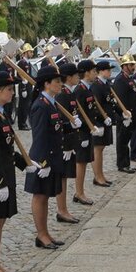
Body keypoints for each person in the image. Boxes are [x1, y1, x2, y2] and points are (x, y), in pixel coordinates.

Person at [0, 71, 37, 272]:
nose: (13, 93)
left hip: (5, 176)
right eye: (10, 89)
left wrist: (25, 164)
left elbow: (7, 149)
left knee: (0, 222)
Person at [25, 66, 67, 249]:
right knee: (40, 197)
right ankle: (41, 235)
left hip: (51, 157)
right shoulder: (41, 105)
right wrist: (43, 163)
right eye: (56, 81)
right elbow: (40, 136)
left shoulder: (51, 102)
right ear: (46, 84)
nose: (60, 84)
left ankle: (45, 233)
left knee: (46, 197)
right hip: (42, 159)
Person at [73, 59, 105, 205]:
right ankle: (79, 193)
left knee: (85, 161)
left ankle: (80, 192)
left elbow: (91, 109)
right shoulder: (80, 90)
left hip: (89, 130)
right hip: (82, 132)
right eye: (93, 71)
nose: (95, 74)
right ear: (86, 73)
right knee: (81, 162)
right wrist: (89, 127)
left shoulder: (87, 88)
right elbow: (78, 113)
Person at [55, 63, 83, 223]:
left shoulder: (69, 93)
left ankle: (64, 209)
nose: (78, 77)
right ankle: (62, 210)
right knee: (62, 177)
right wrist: (66, 145)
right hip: (64, 143)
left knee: (65, 176)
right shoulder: (62, 95)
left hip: (70, 140)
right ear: (69, 77)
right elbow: (61, 120)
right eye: (75, 75)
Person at [91, 59, 115, 186]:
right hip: (99, 121)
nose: (110, 72)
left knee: (101, 148)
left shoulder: (105, 84)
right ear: (100, 71)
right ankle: (97, 176)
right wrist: (101, 119)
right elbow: (96, 105)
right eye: (107, 70)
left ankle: (101, 175)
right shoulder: (96, 85)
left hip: (106, 119)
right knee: (97, 149)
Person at [113, 54, 136, 174]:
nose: (133, 67)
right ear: (124, 66)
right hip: (124, 116)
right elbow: (120, 100)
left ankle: (126, 162)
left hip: (131, 114)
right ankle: (122, 164)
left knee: (126, 140)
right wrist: (124, 115)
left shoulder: (128, 77)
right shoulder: (120, 80)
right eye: (131, 65)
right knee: (122, 141)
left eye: (133, 64)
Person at [17, 43, 34, 130]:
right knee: (23, 106)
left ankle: (24, 122)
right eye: (30, 52)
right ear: (25, 53)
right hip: (24, 87)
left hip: (29, 86)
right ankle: (22, 124)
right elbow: (19, 75)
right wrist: (23, 88)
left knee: (26, 106)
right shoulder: (21, 63)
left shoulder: (27, 63)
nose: (32, 53)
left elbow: (29, 75)